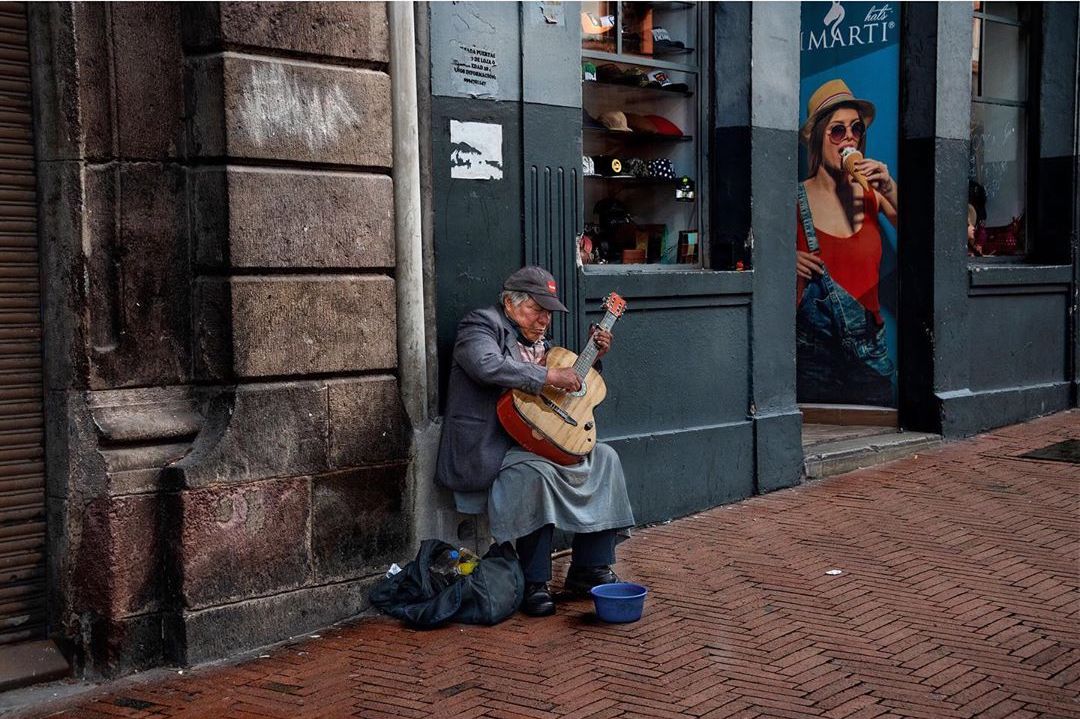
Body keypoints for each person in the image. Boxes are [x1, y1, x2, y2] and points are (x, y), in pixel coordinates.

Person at [435, 266, 635, 617]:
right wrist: (549, 374)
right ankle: (534, 581)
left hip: (534, 438)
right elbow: (487, 366)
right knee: (536, 474)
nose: (544, 320)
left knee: (605, 458)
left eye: (548, 313)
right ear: (511, 303)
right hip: (492, 445)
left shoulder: (542, 344)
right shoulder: (480, 325)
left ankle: (590, 567)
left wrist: (591, 361)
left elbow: (555, 397)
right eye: (536, 310)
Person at [795, 79, 899, 406]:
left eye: (856, 129)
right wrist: (783, 257)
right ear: (816, 138)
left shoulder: (872, 191)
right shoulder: (795, 197)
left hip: (870, 351)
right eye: (837, 131)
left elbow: (928, 236)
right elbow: (751, 254)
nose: (849, 138)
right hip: (813, 354)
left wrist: (891, 187)